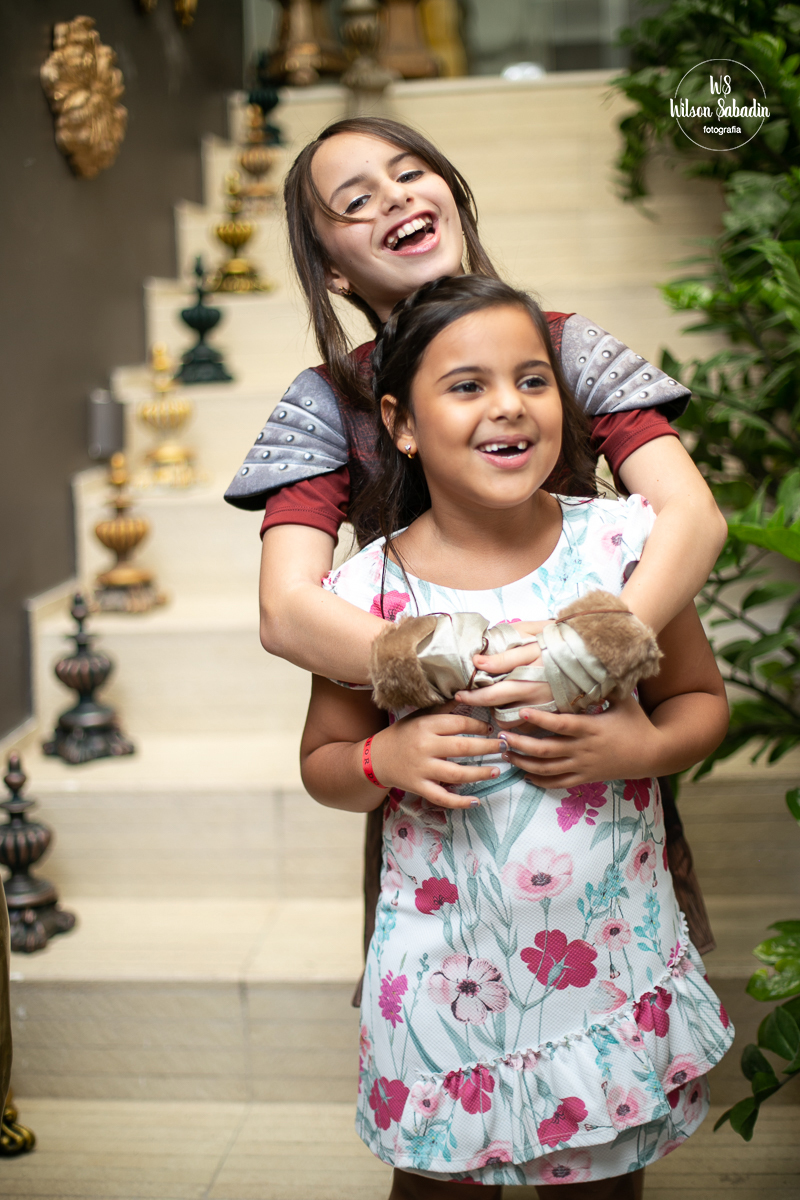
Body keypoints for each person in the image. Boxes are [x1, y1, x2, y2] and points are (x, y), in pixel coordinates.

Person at [224, 116, 725, 958]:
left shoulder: (565, 348)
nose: (395, 197)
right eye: (356, 201)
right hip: (447, 786)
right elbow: (287, 609)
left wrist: (589, 650)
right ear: (335, 273)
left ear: (452, 195)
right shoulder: (324, 402)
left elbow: (691, 515)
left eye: (411, 172)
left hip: (592, 757)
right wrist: (438, 664)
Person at [300, 275, 733, 1198]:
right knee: (436, 1189)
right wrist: (388, 758)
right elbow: (325, 766)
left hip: (607, 964)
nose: (510, 406)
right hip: (441, 978)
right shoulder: (366, 597)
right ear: (401, 423)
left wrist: (640, 752)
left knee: (604, 1185)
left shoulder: (624, 550)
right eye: (467, 385)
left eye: (534, 380)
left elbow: (700, 699)